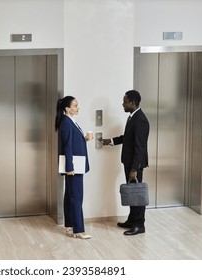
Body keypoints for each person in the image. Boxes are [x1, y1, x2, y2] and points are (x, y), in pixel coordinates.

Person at [100, 90, 149, 236]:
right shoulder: (132, 117)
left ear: (133, 102)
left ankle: (139, 225)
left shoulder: (140, 120)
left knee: (138, 194)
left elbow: (139, 147)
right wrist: (111, 141)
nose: (123, 104)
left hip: (136, 164)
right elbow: (127, 138)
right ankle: (132, 220)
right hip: (130, 162)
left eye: (125, 101)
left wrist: (134, 168)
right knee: (132, 193)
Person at [55, 96, 93, 239]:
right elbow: (67, 146)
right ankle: (78, 230)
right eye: (75, 105)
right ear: (67, 108)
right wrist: (69, 167)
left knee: (70, 194)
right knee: (77, 196)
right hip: (74, 166)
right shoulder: (66, 123)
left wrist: (85, 139)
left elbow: (73, 142)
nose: (78, 108)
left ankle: (70, 224)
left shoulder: (71, 122)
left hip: (76, 164)